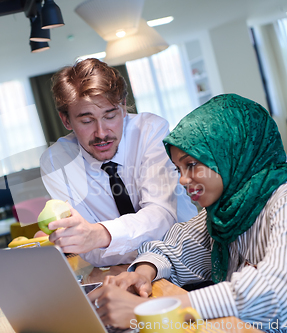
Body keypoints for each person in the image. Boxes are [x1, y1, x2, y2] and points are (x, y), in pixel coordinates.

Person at [88, 94, 287, 330]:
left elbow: (278, 295)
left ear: (229, 152)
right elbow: (173, 249)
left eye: (192, 165)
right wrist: (143, 273)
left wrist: (151, 310)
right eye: (179, 169)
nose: (182, 180)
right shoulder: (225, 210)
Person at [37, 58, 197, 266]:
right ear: (66, 120)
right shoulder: (56, 162)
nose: (101, 133)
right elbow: (87, 248)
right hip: (118, 273)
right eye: (86, 121)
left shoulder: (150, 131)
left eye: (110, 116)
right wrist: (92, 240)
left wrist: (100, 235)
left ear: (123, 107)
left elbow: (162, 215)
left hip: (186, 263)